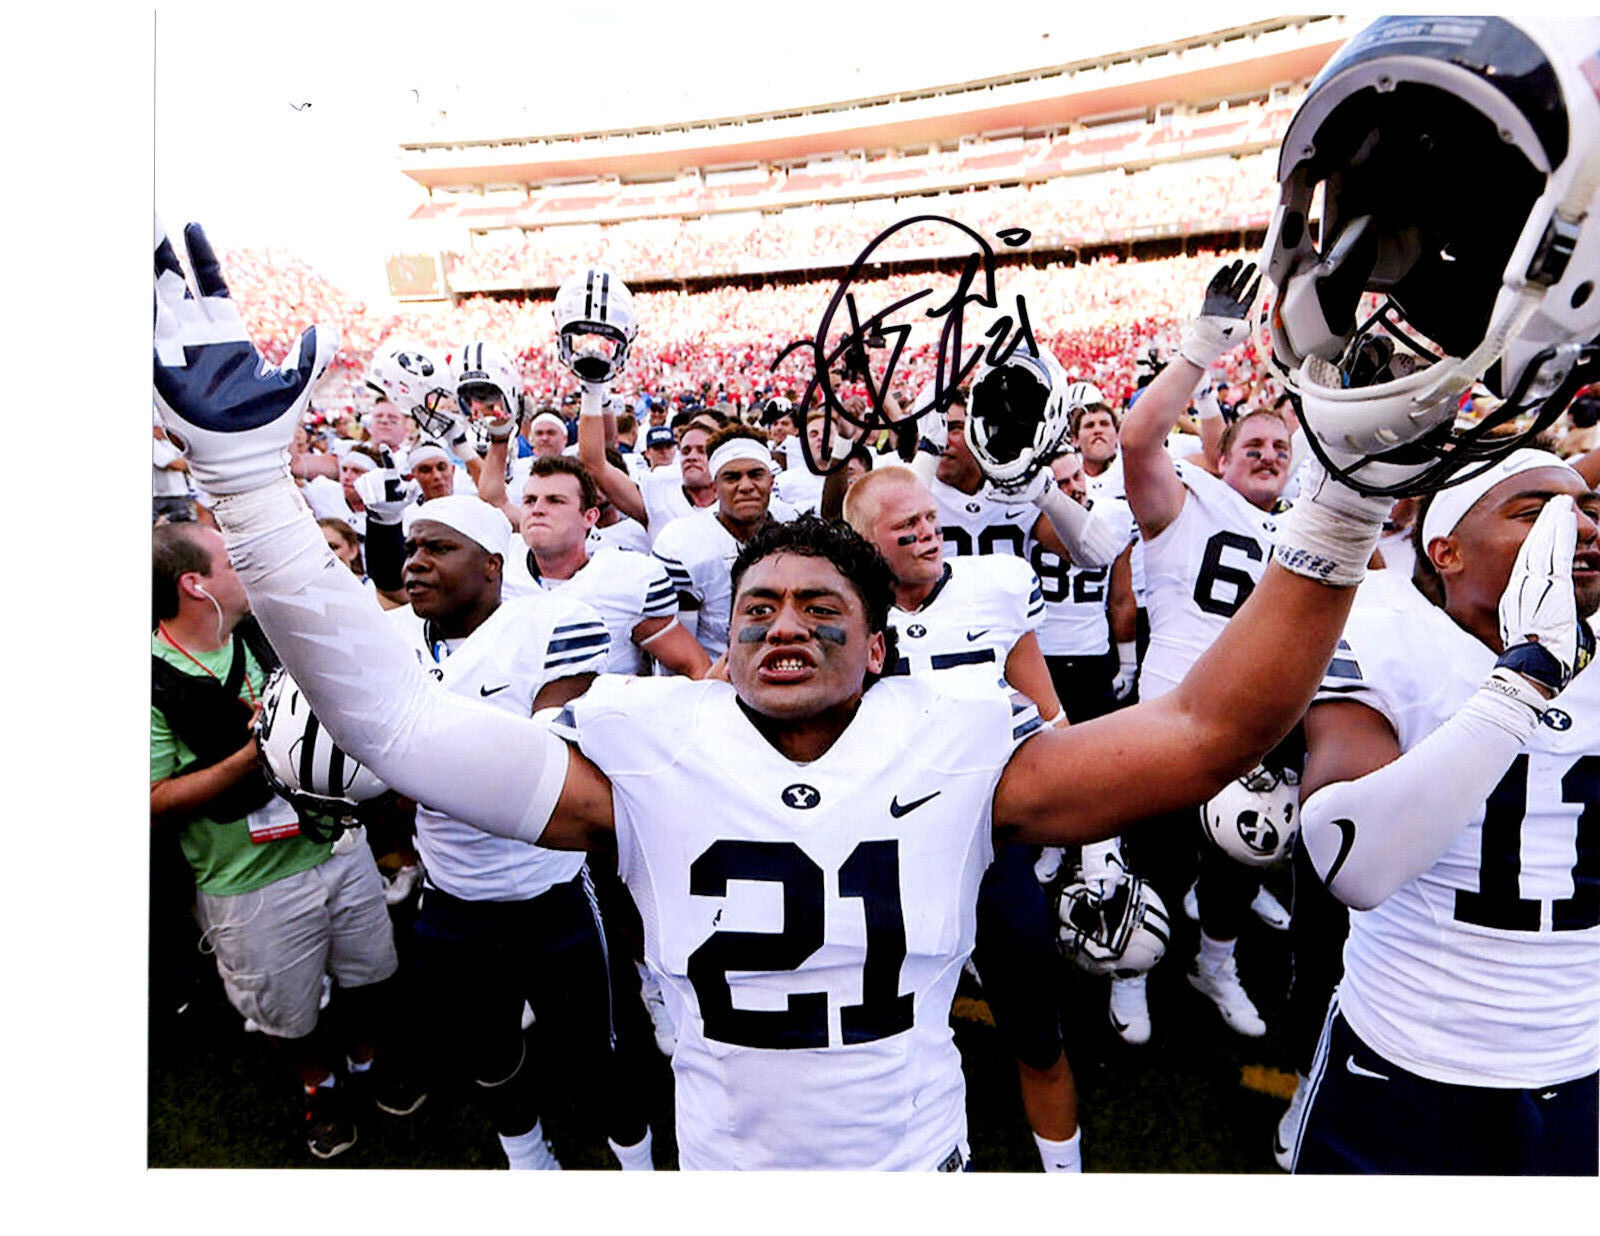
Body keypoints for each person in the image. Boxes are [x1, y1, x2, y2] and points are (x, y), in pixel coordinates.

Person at [154, 217, 1400, 1168]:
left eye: (822, 609)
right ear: (727, 637)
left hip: (914, 1162)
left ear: (879, 646)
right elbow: (400, 725)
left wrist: (1341, 501)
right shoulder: (645, 743)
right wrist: (250, 486)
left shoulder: (960, 739)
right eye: (755, 608)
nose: (782, 625)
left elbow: (1212, 727)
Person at [1291, 452, 1600, 1174]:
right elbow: (1353, 863)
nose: (1581, 528)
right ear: (1447, 551)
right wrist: (1523, 684)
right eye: (1536, 513)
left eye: (1587, 510)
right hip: (1405, 1053)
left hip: (1577, 1053)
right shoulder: (1388, 627)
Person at [382, 493, 660, 1170]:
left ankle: (637, 1161)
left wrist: (414, 761)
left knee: (598, 1048)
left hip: (549, 890)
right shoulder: (389, 641)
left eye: (438, 548)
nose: (415, 564)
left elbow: (545, 757)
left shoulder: (554, 623)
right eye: (412, 548)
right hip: (450, 893)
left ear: (492, 566)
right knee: (488, 1049)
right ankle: (528, 1156)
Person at [844, 464, 1085, 1173]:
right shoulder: (844, 609)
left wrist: (1094, 847)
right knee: (875, 1036)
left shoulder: (996, 585)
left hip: (989, 842)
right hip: (882, 855)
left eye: (928, 516)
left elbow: (1051, 719)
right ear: (863, 543)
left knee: (1037, 1030)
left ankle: (1065, 1179)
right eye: (904, 526)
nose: (926, 532)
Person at [150, 521, 416, 1160]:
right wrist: (252, 756)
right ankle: (319, 1085)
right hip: (250, 881)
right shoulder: (148, 679)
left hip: (336, 843)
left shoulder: (267, 631)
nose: (246, 566)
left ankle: (365, 1060)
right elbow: (149, 799)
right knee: (285, 1012)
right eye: (229, 560)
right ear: (195, 585)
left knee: (370, 974)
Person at [1114, 260, 1296, 1043]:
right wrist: (1203, 348)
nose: (1266, 453)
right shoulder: (1189, 502)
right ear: (1220, 456)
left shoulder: (1306, 530)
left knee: (1238, 864)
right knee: (1153, 860)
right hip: (1167, 716)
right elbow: (1136, 436)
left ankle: (1213, 963)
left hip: (1260, 727)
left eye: (1279, 447)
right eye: (1252, 442)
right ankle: (1134, 970)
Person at [508, 455, 710, 678]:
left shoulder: (626, 579)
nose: (537, 509)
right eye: (529, 500)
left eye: (555, 500)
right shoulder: (501, 568)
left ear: (589, 517)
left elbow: (695, 665)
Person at [652, 425, 790, 659]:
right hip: (714, 677)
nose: (745, 486)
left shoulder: (793, 526)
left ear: (771, 481)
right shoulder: (682, 542)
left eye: (756, 474)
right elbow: (680, 650)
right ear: (714, 487)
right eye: (732, 477)